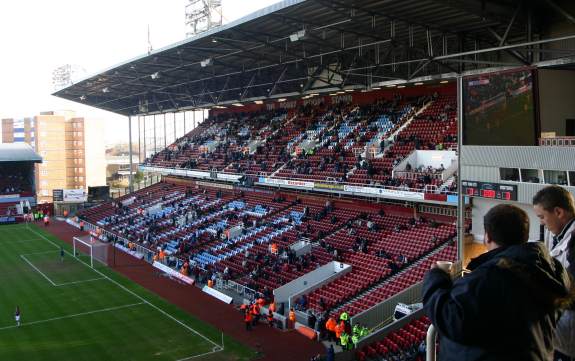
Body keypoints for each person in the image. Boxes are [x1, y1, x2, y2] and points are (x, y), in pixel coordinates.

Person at [423, 204, 572, 361]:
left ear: (487, 236)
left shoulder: (492, 275)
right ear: (525, 236)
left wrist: (436, 277)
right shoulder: (548, 268)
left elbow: (450, 318)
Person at [533, 186, 575, 360]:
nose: (542, 222)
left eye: (542, 217)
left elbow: (569, 292)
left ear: (558, 212)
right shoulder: (561, 235)